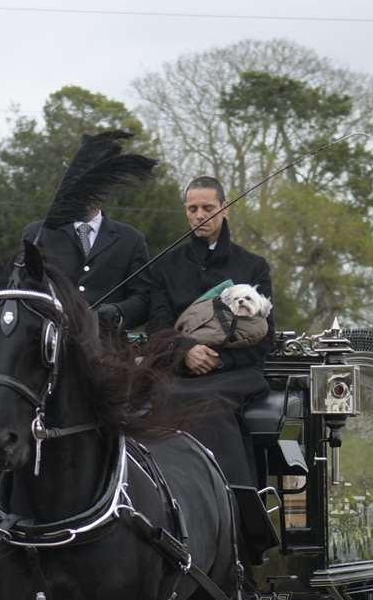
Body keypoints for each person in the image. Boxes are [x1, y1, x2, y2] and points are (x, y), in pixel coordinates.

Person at [145, 176, 273, 486]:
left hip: (234, 375)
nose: (199, 215)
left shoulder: (254, 266)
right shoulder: (164, 266)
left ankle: (238, 504)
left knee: (211, 409)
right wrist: (186, 351)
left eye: (207, 208)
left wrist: (220, 361)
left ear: (224, 208)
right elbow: (158, 327)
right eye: (192, 209)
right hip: (177, 370)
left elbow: (265, 337)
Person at [21, 201, 151, 335]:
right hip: (51, 343)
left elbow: (144, 297)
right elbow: (23, 290)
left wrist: (118, 311)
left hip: (108, 347)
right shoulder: (37, 234)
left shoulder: (131, 239)